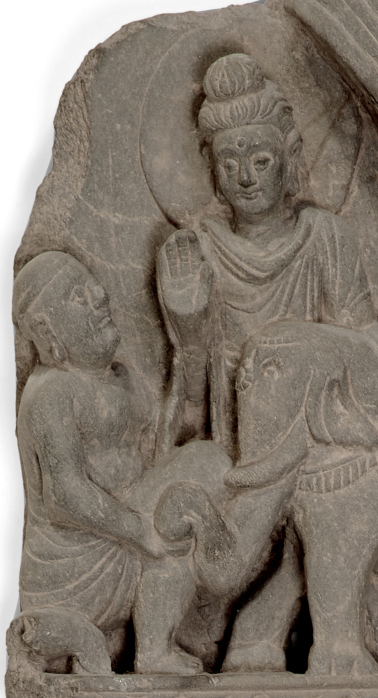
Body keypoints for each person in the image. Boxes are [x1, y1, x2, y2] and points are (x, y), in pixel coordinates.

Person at [156, 53, 375, 669]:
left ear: (289, 159)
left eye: (260, 160)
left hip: (317, 432)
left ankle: (274, 623)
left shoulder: (326, 237)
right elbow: (188, 402)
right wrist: (189, 325)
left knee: (339, 488)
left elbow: (363, 351)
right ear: (211, 171)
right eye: (229, 164)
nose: (246, 178)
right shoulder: (198, 249)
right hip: (239, 443)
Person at [13, 250, 234, 675]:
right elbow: (65, 494)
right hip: (78, 565)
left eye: (92, 285)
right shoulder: (52, 393)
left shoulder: (121, 378)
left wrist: (188, 340)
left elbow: (169, 442)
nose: (99, 295)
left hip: (123, 534)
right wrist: (139, 531)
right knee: (178, 505)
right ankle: (153, 649)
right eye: (78, 296)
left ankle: (173, 626)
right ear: (46, 330)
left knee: (205, 464)